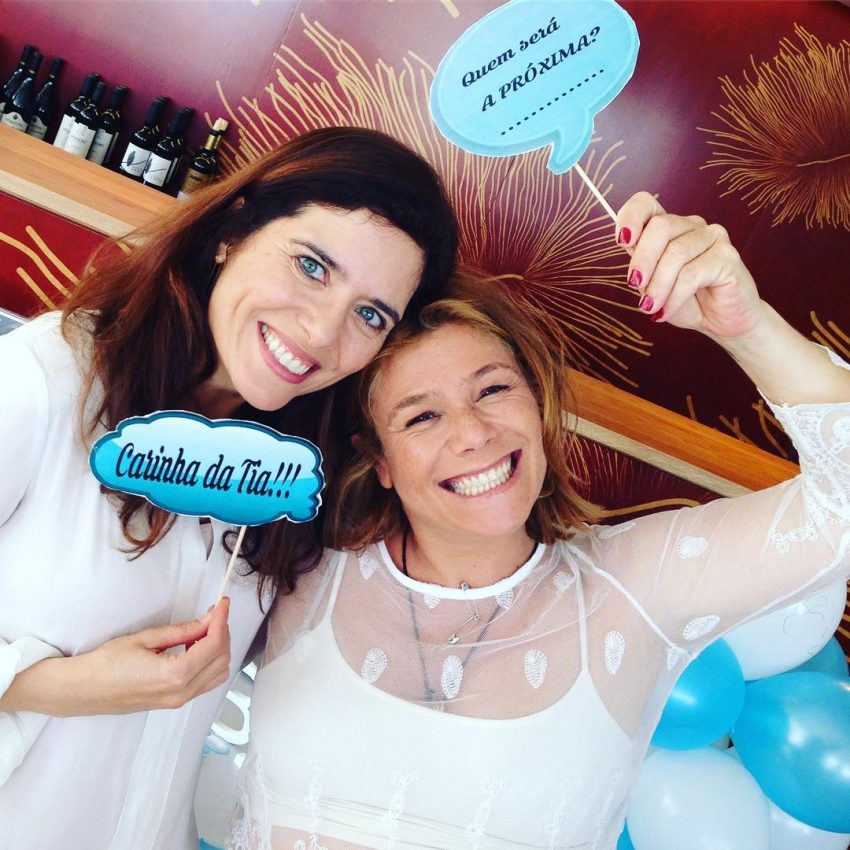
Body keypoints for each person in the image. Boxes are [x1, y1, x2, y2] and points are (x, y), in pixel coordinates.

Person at [228, 191, 850, 849]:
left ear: (537, 402)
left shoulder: (635, 586)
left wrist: (745, 324)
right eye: (422, 416)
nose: (473, 434)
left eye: (493, 389)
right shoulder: (298, 561)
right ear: (379, 459)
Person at [0, 127, 458, 850]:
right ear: (232, 232)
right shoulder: (48, 382)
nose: (322, 331)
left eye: (370, 314)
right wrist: (60, 685)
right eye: (312, 266)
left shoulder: (299, 476)